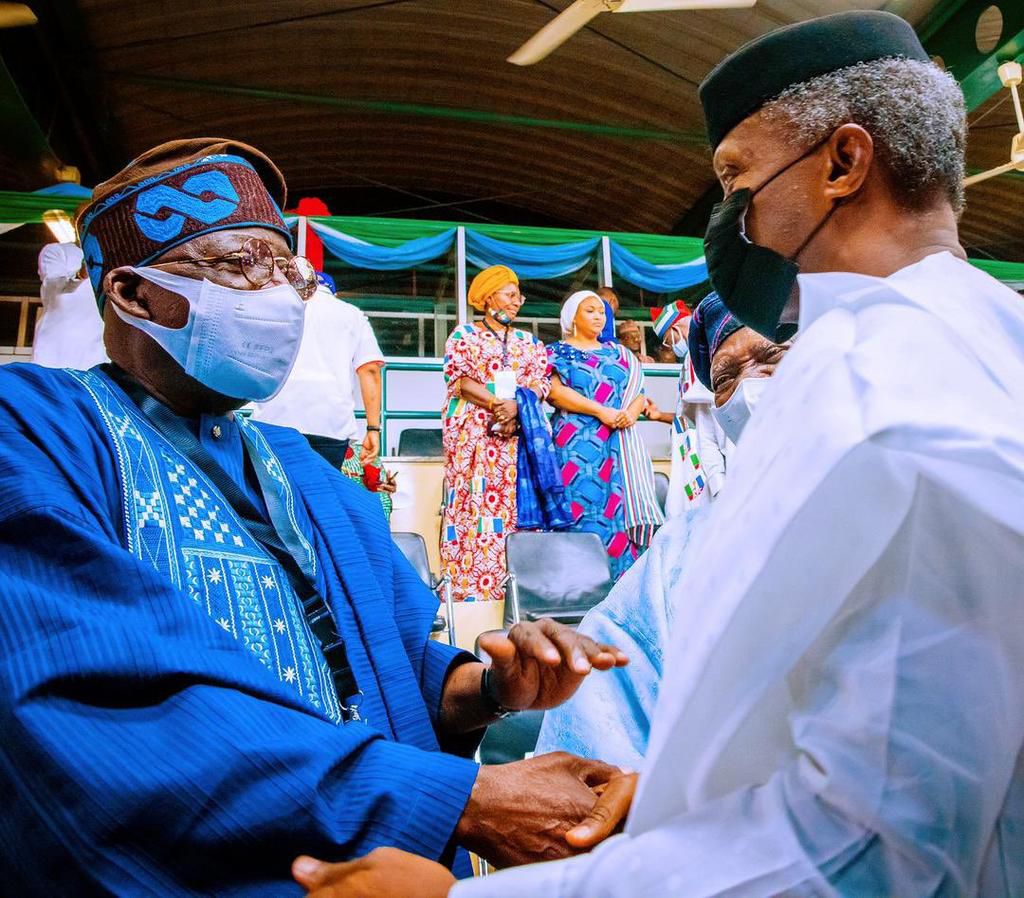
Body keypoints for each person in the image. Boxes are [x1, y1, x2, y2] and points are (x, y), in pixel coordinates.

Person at [292, 11, 1024, 896]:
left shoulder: (886, 389)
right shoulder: (987, 337)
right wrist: (673, 799)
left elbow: (880, 849)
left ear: (843, 163)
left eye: (736, 177)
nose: (729, 217)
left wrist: (464, 897)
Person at [0, 138, 636, 895]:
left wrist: (492, 687)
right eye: (239, 267)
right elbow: (88, 702)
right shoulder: (35, 431)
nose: (277, 298)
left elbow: (387, 669)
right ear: (134, 296)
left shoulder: (301, 467)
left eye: (287, 273)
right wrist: (457, 799)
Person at [534, 293, 789, 770]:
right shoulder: (682, 556)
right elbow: (601, 723)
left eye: (772, 357)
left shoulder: (929, 506)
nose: (753, 387)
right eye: (729, 378)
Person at [440, 265, 550, 602]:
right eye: (510, 294)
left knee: (515, 512)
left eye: (520, 296)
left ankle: (518, 592)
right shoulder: (465, 336)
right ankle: (471, 591)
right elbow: (458, 380)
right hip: (476, 440)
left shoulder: (529, 342)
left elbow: (540, 381)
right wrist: (496, 404)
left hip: (517, 440)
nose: (518, 302)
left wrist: (516, 409)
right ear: (488, 298)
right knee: (476, 509)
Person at [547, 290, 663, 579]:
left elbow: (638, 394)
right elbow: (555, 393)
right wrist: (601, 411)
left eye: (601, 312)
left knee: (622, 510)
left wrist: (631, 413)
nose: (598, 316)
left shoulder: (620, 353)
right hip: (576, 443)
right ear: (572, 316)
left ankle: (623, 588)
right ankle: (580, 585)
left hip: (619, 443)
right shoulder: (556, 352)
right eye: (590, 311)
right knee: (580, 506)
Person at [250, 271, 385, 468]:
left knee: (277, 492)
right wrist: (373, 428)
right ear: (334, 293)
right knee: (323, 491)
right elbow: (370, 369)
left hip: (274, 419)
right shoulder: (352, 315)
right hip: (330, 422)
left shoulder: (278, 311)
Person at [33, 242, 107, 369]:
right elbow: (53, 282)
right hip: (53, 361)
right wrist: (82, 269)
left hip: (95, 361)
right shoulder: (56, 255)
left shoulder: (115, 260)